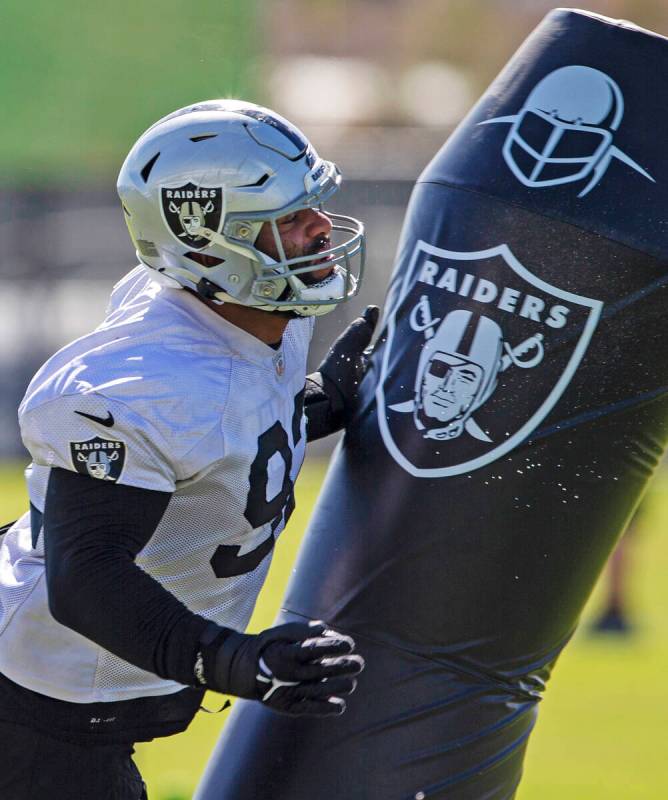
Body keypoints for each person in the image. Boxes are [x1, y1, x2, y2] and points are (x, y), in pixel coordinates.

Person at [0, 100, 374, 800]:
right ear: (208, 245)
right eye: (290, 219)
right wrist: (233, 661)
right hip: (35, 705)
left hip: (72, 706)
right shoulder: (139, 385)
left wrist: (321, 400)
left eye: (315, 206)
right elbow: (86, 575)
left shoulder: (254, 313)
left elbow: (228, 444)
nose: (321, 228)